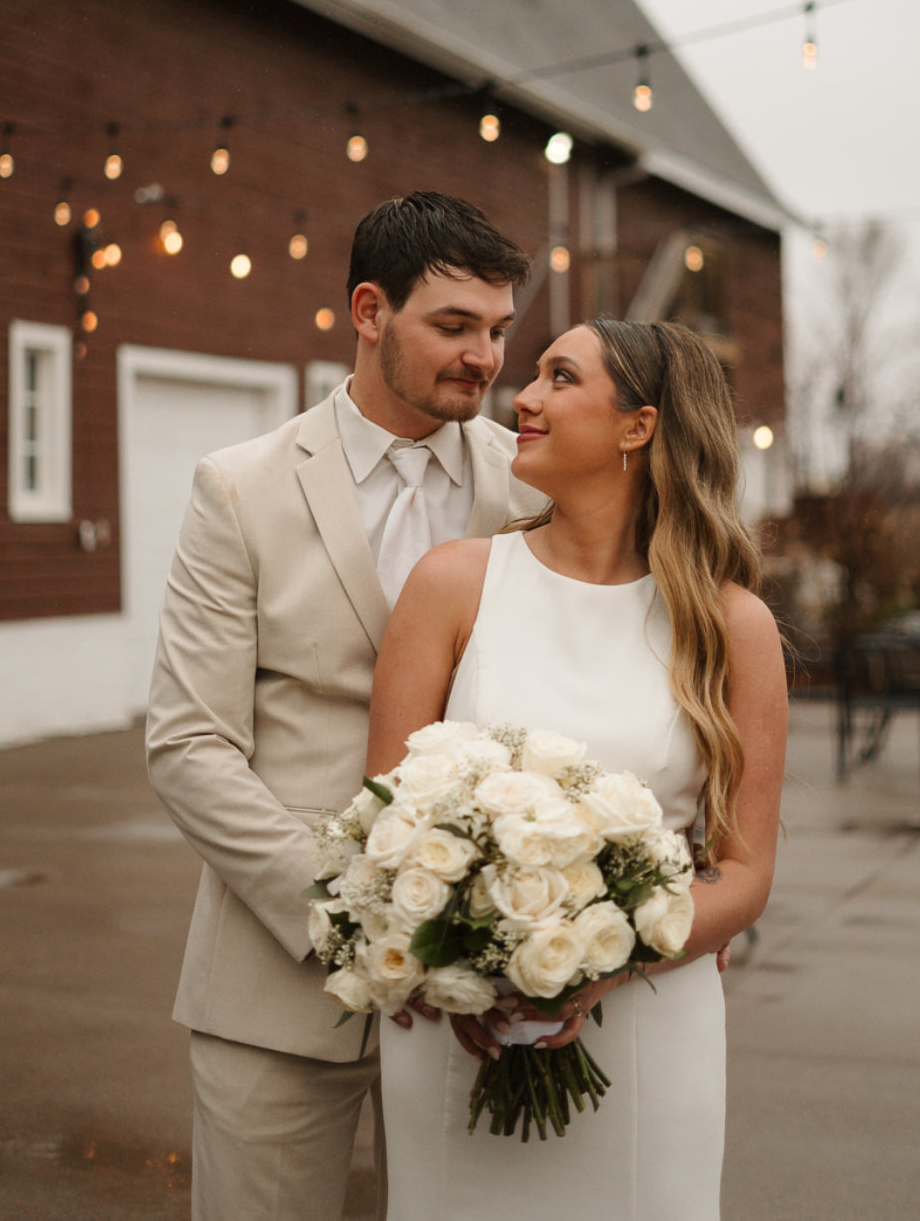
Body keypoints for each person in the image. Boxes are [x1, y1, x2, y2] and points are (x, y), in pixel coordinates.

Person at [146, 192, 545, 1221]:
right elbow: (189, 743)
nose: (485, 357)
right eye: (452, 325)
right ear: (369, 312)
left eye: (499, 329)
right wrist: (347, 912)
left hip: (480, 993)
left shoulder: (533, 489)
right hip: (275, 984)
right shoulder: (239, 489)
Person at [366, 317, 788, 1221]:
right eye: (534, 374)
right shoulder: (452, 583)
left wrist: (610, 953)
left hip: (649, 1026)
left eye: (560, 376)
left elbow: (746, 871)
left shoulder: (730, 625)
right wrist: (458, 956)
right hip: (461, 1024)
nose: (521, 396)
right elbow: (382, 820)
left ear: (638, 425)